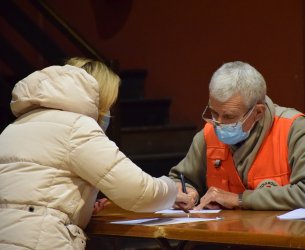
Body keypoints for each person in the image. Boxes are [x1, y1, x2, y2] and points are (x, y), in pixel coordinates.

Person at [0, 57, 177, 249]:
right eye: (109, 104)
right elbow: (140, 193)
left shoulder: (15, 127)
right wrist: (173, 189)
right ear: (96, 97)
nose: (109, 112)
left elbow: (29, 193)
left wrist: (82, 206)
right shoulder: (78, 127)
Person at [169, 61, 305, 211]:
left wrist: (240, 199)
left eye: (229, 117)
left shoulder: (293, 128)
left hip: (283, 238)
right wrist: (186, 192)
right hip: (222, 238)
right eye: (213, 113)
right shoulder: (208, 134)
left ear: (258, 112)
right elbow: (181, 178)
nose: (218, 123)